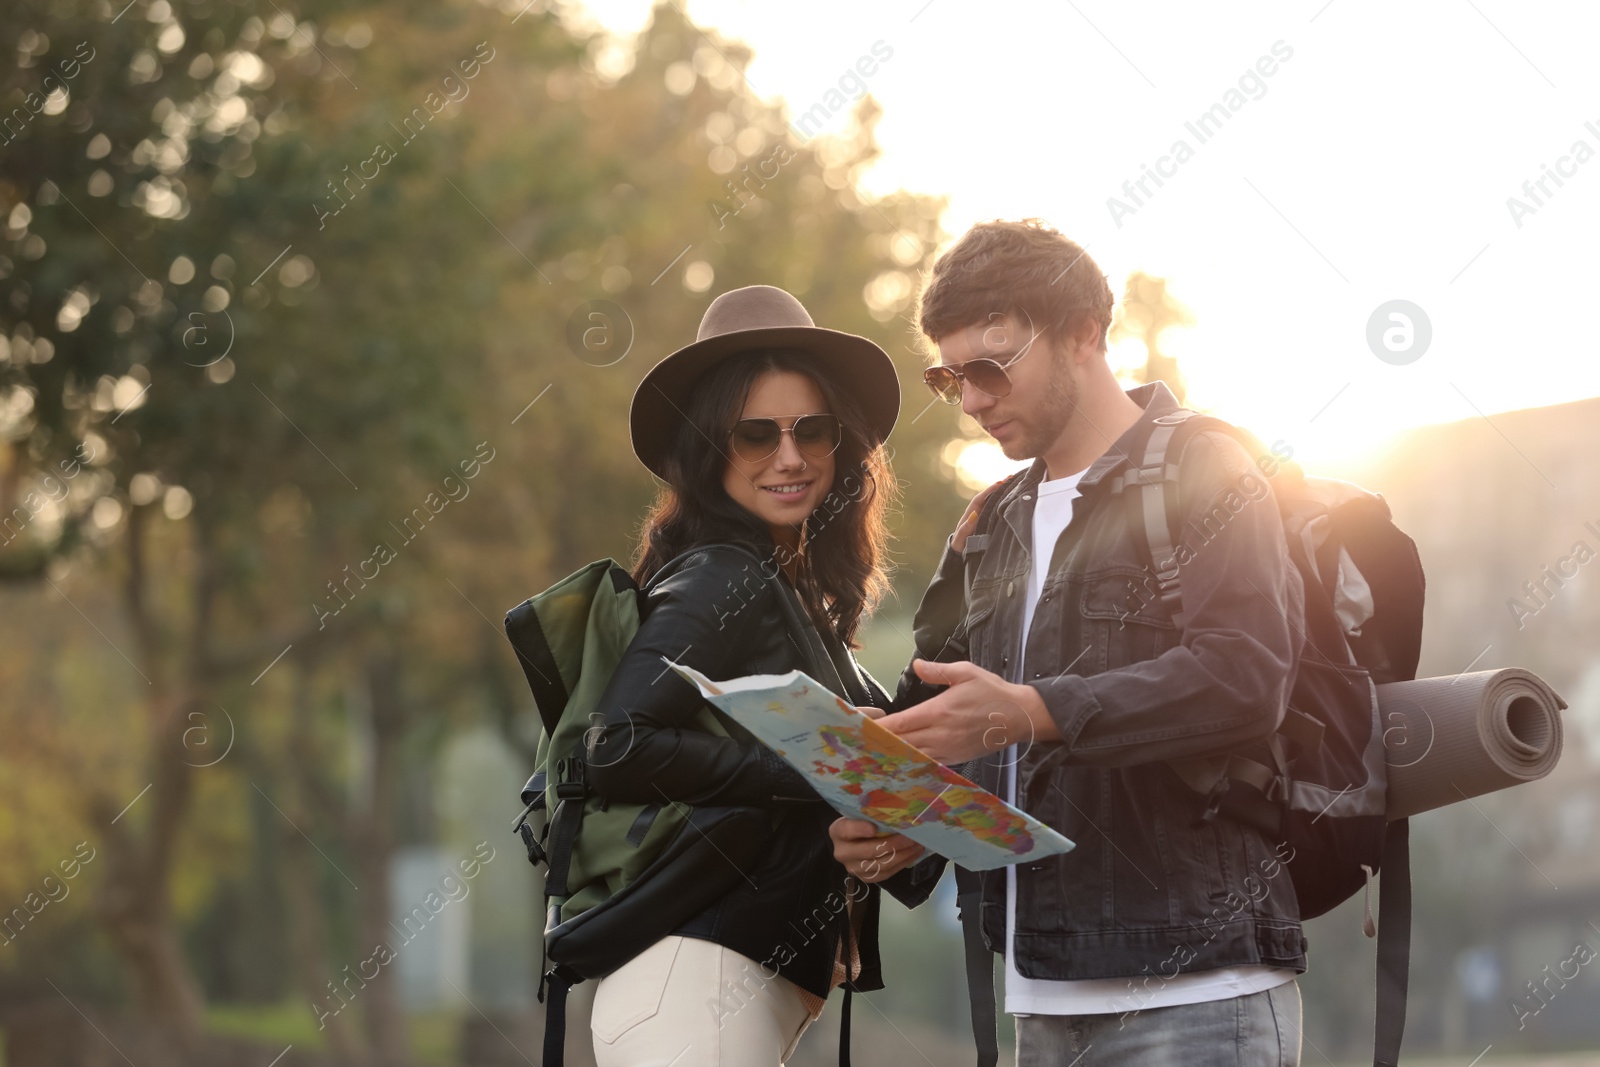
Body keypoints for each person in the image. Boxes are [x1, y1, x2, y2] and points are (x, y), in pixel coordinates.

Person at [829, 220, 1308, 1066]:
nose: (971, 397)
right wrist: (897, 827)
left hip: (1197, 997)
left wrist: (1037, 709)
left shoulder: (1207, 468)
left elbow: (1246, 673)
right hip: (1039, 1004)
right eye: (950, 375)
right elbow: (939, 722)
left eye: (991, 366)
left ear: (1084, 334)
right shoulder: (986, 524)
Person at [585, 284, 941, 1066]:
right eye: (754, 434)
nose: (790, 456)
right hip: (692, 991)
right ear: (709, 450)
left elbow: (893, 813)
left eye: (812, 429)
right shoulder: (720, 575)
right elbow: (612, 745)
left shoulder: (803, 606)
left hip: (740, 995)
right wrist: (816, 768)